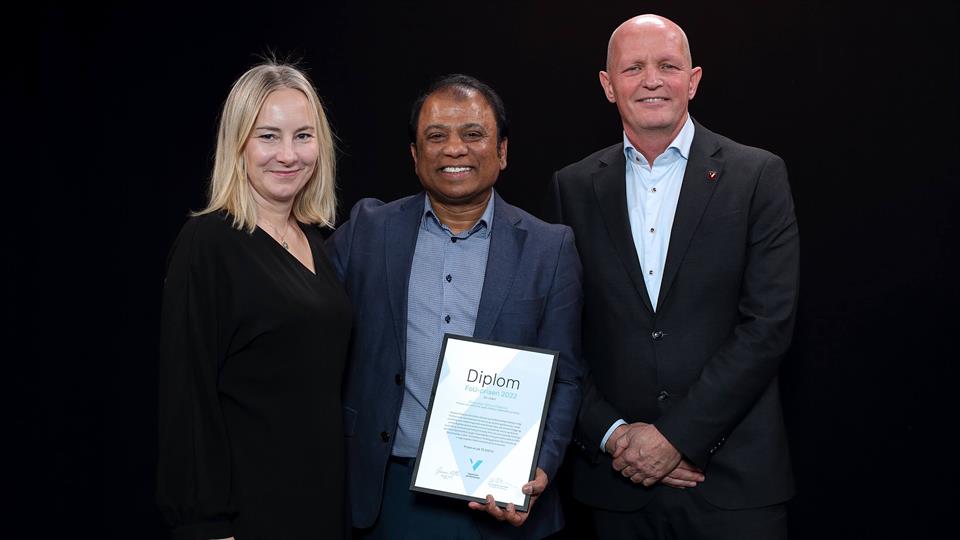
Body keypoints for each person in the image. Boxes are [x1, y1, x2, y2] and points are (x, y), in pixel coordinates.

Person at [546, 14, 799, 539]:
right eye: (633, 68)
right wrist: (614, 435)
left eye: (667, 65)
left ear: (694, 79)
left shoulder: (757, 175)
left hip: (733, 485)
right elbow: (560, 334)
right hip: (616, 486)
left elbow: (767, 326)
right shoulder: (573, 187)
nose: (652, 80)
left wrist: (675, 438)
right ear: (608, 85)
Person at [327, 74, 583, 539]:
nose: (454, 149)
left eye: (472, 134)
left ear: (502, 151)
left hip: (501, 498)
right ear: (414, 154)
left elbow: (565, 377)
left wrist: (541, 467)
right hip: (387, 493)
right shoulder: (368, 231)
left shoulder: (550, 248)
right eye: (436, 136)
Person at [157, 62, 351, 540]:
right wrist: (206, 527)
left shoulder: (315, 243)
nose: (288, 155)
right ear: (238, 144)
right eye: (268, 136)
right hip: (250, 515)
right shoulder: (208, 243)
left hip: (321, 507)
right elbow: (188, 398)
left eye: (303, 136)